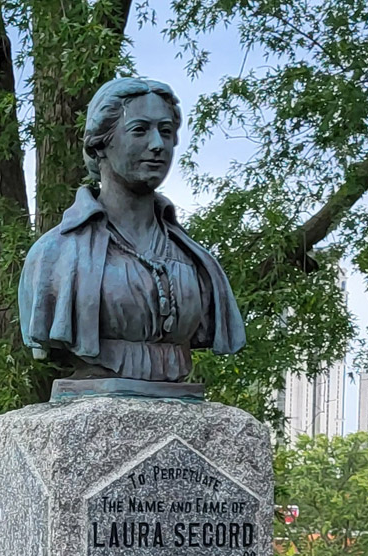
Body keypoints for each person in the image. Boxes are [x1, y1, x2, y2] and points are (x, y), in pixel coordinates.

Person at [18, 77, 245, 383]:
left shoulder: (195, 260)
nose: (157, 145)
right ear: (100, 144)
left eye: (166, 132)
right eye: (139, 130)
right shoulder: (54, 255)